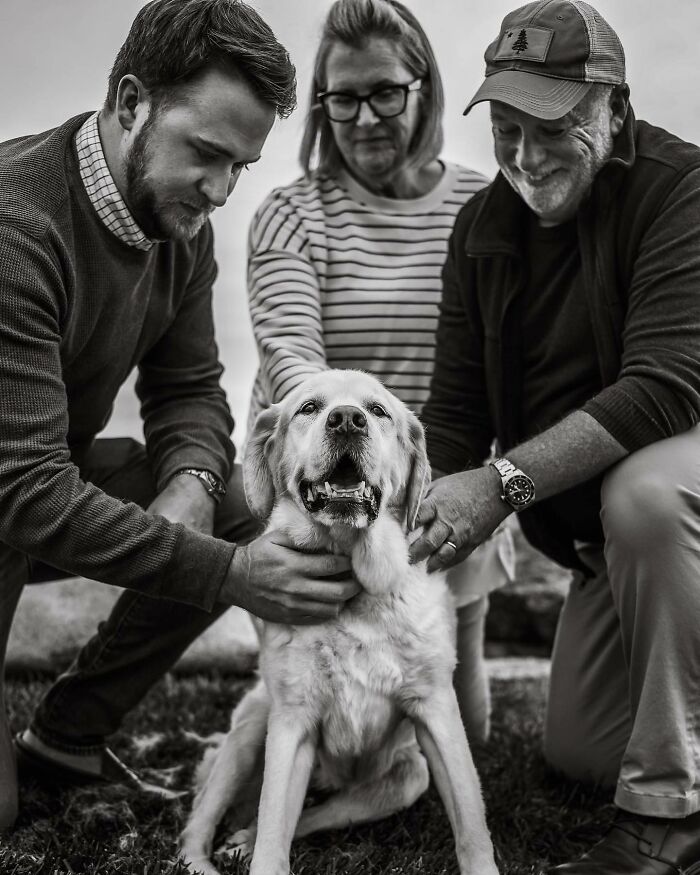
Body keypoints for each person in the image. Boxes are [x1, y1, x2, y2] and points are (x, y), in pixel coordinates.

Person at [0, 0, 362, 833]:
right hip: (17, 489)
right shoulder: (18, 231)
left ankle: (68, 736)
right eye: (206, 153)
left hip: (32, 484)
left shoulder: (179, 226)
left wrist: (194, 478)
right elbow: (24, 490)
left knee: (239, 500)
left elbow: (191, 388)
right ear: (132, 102)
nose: (222, 190)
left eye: (241, 165)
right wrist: (225, 574)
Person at [409, 1, 700, 872]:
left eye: (552, 126)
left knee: (644, 492)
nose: (527, 156)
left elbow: (663, 390)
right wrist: (409, 525)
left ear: (616, 107)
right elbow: (455, 415)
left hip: (671, 508)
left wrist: (500, 487)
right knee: (583, 751)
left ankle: (669, 821)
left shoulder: (681, 191)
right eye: (506, 128)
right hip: (602, 552)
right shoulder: (480, 230)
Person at [245, 0, 515, 747]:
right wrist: (332, 449)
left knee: (462, 733)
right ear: (321, 104)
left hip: (437, 479)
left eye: (386, 93)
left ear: (424, 88)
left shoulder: (483, 207)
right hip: (320, 495)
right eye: (343, 98)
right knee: (315, 715)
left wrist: (456, 485)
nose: (364, 118)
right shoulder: (292, 213)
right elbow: (289, 354)